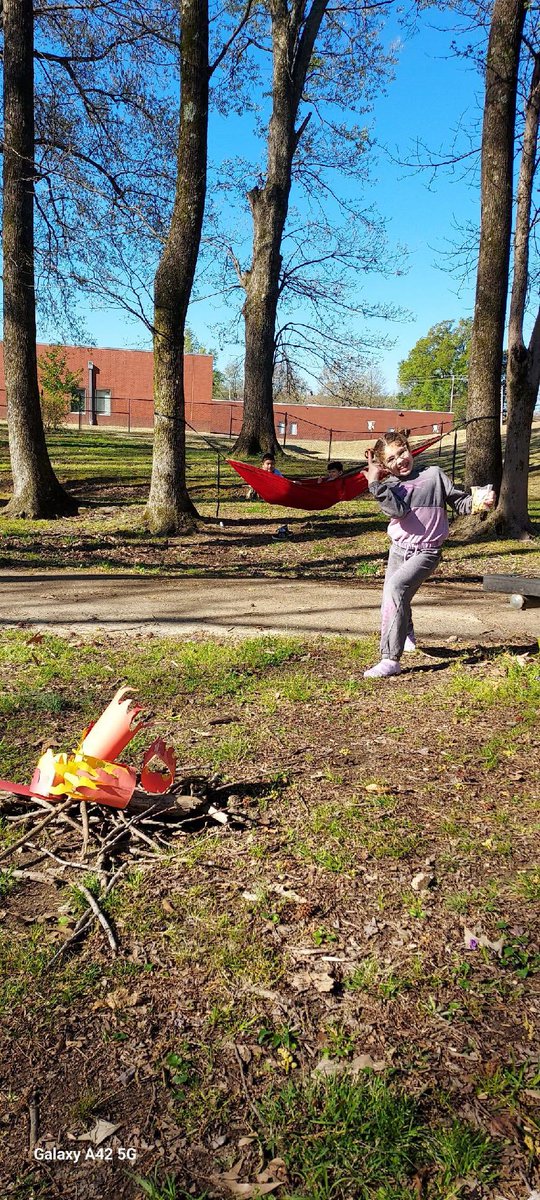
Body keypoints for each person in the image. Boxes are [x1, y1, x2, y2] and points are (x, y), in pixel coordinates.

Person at [363, 430, 495, 679]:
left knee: (396, 589)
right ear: (384, 466)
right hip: (399, 550)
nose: (400, 460)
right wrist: (375, 484)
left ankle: (390, 659)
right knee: (394, 598)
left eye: (402, 452)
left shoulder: (434, 475)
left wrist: (480, 502)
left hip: (427, 551)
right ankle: (405, 634)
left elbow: (460, 503)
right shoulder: (390, 486)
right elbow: (398, 511)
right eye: (391, 459)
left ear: (409, 449)